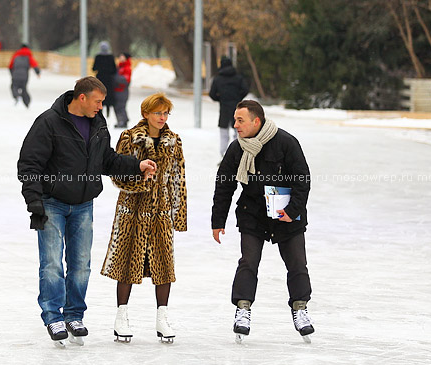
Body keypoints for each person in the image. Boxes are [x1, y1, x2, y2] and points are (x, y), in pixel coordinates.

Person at [17, 76, 157, 346]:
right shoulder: (48, 122)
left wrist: (136, 166)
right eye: (98, 101)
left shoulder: (98, 123)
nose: (101, 107)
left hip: (83, 205)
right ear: (81, 98)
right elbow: (29, 164)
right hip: (52, 202)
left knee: (81, 266)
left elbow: (107, 160)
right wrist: (34, 201)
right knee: (52, 265)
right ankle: (52, 315)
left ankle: (73, 315)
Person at [211, 99, 315, 342]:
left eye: (240, 120)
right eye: (235, 120)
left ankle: (300, 309)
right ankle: (243, 309)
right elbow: (224, 185)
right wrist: (218, 220)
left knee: (297, 263)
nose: (235, 125)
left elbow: (302, 179)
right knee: (249, 261)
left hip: (286, 214)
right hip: (253, 213)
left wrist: (292, 209)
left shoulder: (286, 142)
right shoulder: (238, 148)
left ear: (256, 121)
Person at [101, 93, 187, 343]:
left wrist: (178, 215)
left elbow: (178, 180)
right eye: (158, 112)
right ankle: (121, 315)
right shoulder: (129, 138)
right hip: (132, 212)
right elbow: (116, 173)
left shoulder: (174, 141)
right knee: (127, 265)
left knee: (164, 268)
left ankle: (162, 316)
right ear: (146, 114)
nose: (162, 117)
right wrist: (140, 181)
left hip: (161, 213)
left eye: (166, 113)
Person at [209, 56, 250, 158]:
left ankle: (223, 154)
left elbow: (212, 94)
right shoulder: (238, 78)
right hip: (237, 108)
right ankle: (237, 153)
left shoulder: (217, 79)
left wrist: (220, 99)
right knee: (237, 131)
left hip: (224, 108)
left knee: (223, 133)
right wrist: (238, 98)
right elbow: (245, 90)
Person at [8, 43, 40, 108]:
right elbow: (35, 65)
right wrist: (38, 73)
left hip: (15, 75)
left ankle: (17, 96)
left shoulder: (16, 55)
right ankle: (27, 102)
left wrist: (12, 74)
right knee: (24, 88)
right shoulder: (29, 56)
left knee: (14, 86)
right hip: (25, 76)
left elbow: (10, 66)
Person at [92, 41, 117, 118]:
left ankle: (100, 113)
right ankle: (108, 114)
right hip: (109, 80)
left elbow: (94, 68)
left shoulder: (98, 57)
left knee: (100, 95)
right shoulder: (111, 57)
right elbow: (114, 69)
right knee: (108, 96)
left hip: (100, 79)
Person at [112, 52, 132, 128]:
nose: (120, 58)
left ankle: (123, 121)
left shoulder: (127, 67)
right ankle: (122, 120)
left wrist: (114, 78)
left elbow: (126, 80)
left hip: (122, 91)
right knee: (117, 106)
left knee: (120, 106)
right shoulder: (119, 67)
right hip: (117, 90)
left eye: (122, 56)